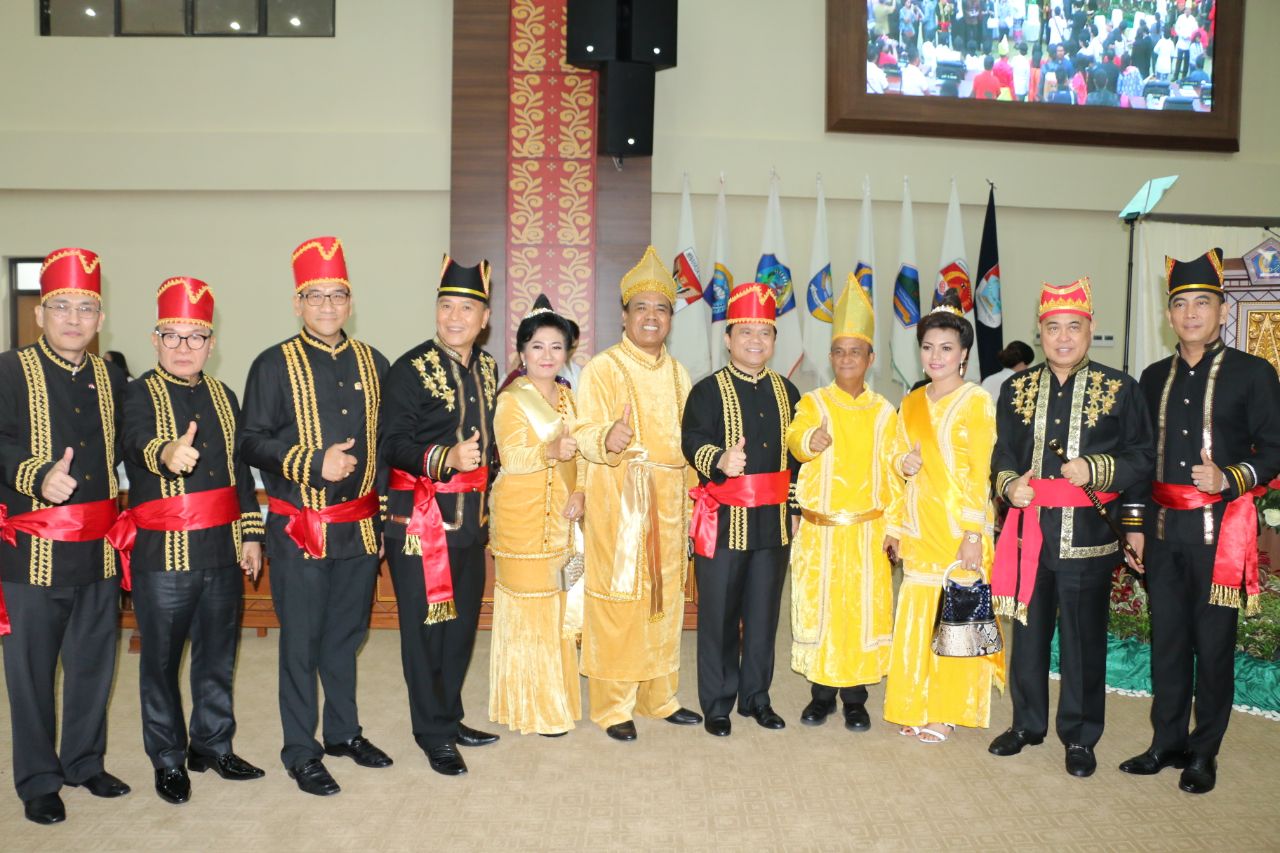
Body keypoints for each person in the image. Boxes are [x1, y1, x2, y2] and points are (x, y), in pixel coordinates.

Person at [1118, 249, 1280, 794]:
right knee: (1167, 642)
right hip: (1163, 535)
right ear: (1169, 314)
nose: (1191, 314)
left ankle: (1204, 751)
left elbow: (1275, 448)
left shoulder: (1253, 373)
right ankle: (1166, 742)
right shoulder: (1151, 377)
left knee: (1213, 648)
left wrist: (1229, 477)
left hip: (1221, 537)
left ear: (1222, 310)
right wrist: (1134, 525)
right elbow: (1139, 457)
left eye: (1202, 303)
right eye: (1181, 304)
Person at [241, 236, 391, 796]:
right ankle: (300, 750)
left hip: (359, 527)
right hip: (299, 526)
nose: (327, 306)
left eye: (337, 295)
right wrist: (310, 462)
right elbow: (248, 442)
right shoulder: (272, 363)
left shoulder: (375, 362)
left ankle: (344, 733)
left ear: (351, 302)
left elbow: (383, 449)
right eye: (315, 295)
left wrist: (380, 520)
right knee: (301, 642)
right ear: (297, 302)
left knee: (347, 636)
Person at [988, 277, 1154, 778]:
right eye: (1053, 327)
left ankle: (1080, 736)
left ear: (1090, 328)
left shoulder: (1120, 388)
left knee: (1083, 641)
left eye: (1073, 327)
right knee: (1027, 635)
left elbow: (1142, 457)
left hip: (1088, 537)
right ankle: (1027, 724)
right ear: (1039, 332)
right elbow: (1002, 452)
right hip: (1029, 534)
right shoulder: (1015, 388)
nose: (1063, 337)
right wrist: (1009, 484)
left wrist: (1097, 468)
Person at [113, 277, 266, 805]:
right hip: (164, 554)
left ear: (211, 343)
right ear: (154, 340)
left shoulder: (224, 396)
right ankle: (167, 758)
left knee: (218, 656)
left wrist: (251, 534)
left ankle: (212, 745)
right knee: (160, 662)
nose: (184, 347)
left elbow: (240, 474)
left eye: (195, 336)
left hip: (221, 550)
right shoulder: (136, 392)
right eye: (172, 336)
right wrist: (165, 453)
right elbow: (134, 440)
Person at [0, 248, 128, 825]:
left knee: (93, 663)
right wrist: (35, 474)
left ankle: (83, 762)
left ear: (100, 318)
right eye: (61, 307)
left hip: (98, 549)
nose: (74, 319)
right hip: (31, 552)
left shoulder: (112, 376)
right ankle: (38, 780)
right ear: (39, 314)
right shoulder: (8, 370)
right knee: (30, 673)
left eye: (86, 308)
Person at [573, 246, 702, 741]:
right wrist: (607, 437)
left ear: (670, 318)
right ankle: (613, 706)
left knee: (664, 601)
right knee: (620, 600)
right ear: (624, 315)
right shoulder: (602, 368)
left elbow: (688, 446)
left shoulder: (679, 373)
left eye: (661, 308)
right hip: (620, 502)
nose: (652, 316)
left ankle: (658, 697)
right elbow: (582, 431)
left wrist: (694, 501)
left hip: (670, 505)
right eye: (641, 307)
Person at [380, 256, 503, 774]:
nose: (455, 317)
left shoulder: (489, 367)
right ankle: (431, 732)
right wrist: (446, 457)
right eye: (446, 306)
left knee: (460, 629)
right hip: (419, 524)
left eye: (467, 309)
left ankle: (449, 718)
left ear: (485, 317)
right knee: (425, 631)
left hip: (470, 525)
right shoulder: (409, 369)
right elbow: (392, 444)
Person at [883, 291, 1004, 744]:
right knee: (917, 616)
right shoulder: (911, 401)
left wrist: (974, 533)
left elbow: (980, 473)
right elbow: (896, 458)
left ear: (964, 354)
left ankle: (948, 710)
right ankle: (914, 702)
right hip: (919, 526)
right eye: (928, 347)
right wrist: (903, 466)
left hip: (959, 530)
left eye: (946, 348)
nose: (936, 356)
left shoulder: (976, 400)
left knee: (955, 619)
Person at [682, 282, 800, 737]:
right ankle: (717, 703)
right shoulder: (707, 391)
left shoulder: (789, 392)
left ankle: (756, 697)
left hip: (773, 524)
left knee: (764, 615)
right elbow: (691, 440)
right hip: (724, 521)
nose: (755, 340)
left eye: (764, 333)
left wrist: (794, 506)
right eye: (746, 332)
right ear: (728, 338)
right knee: (718, 617)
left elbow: (798, 459)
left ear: (774, 341)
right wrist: (719, 459)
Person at [788, 281, 901, 734]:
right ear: (831, 357)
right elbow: (794, 439)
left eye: (856, 352)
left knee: (861, 614)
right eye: (839, 352)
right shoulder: (813, 403)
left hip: (867, 532)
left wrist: (895, 528)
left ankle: (855, 700)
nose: (847, 359)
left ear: (870, 358)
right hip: (821, 533)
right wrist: (808, 440)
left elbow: (894, 473)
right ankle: (821, 696)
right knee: (822, 612)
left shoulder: (884, 411)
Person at [487, 295, 584, 737]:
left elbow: (581, 455)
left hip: (562, 520)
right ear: (522, 352)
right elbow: (512, 458)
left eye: (556, 347)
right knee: (528, 613)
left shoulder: (569, 399)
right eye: (538, 346)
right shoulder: (512, 400)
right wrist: (549, 450)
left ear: (567, 353)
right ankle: (530, 707)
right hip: (521, 520)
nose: (547, 355)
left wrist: (581, 491)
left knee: (557, 610)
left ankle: (557, 700)